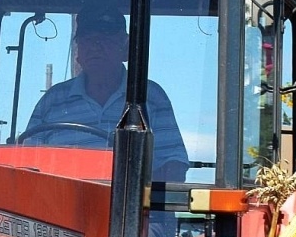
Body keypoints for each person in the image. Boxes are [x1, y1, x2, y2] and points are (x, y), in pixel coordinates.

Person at [21, 9, 190, 182]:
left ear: (125, 48)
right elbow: (25, 165)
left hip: (128, 199)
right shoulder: (52, 101)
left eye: (105, 39)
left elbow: (174, 166)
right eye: (87, 40)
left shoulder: (150, 98)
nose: (95, 47)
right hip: (60, 198)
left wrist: (129, 187)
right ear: (78, 52)